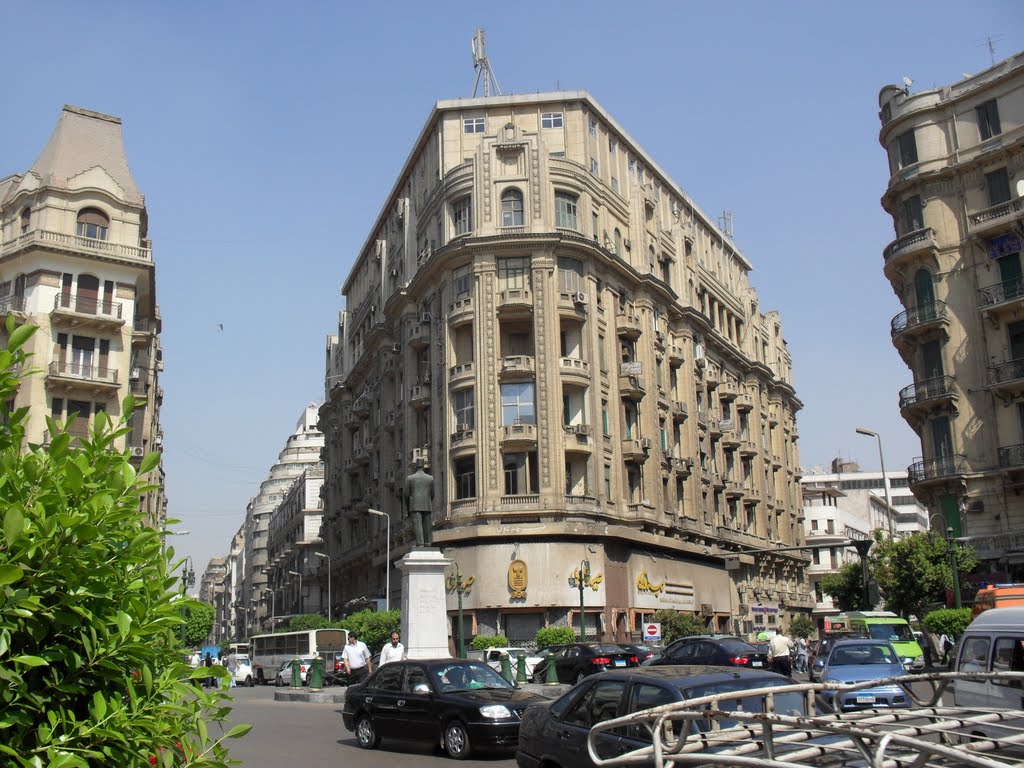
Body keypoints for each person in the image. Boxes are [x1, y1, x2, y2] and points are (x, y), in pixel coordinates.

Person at [405, 459, 435, 547]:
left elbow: (406, 494)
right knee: (427, 525)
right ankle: (428, 543)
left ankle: (420, 544)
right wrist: (428, 501)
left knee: (417, 525)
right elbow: (432, 494)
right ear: (423, 466)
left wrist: (408, 506)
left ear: (415, 466)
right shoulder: (430, 478)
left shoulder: (410, 478)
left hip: (414, 505)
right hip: (427, 505)